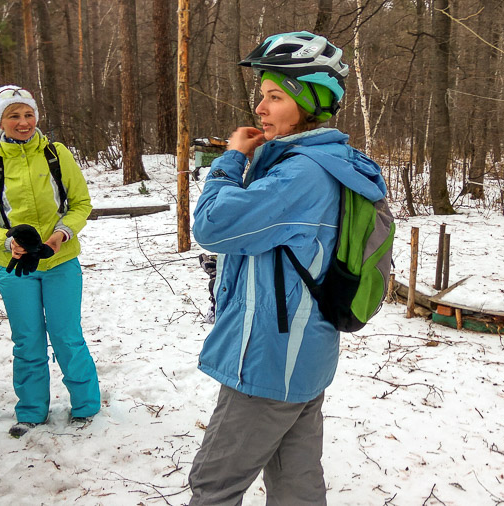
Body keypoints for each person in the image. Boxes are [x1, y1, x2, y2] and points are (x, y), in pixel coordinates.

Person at [190, 32, 389, 505]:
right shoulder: (329, 162)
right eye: (262, 95)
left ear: (311, 103)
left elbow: (214, 226)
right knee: (296, 485)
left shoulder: (302, 173)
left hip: (268, 359)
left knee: (214, 485)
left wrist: (230, 161)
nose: (260, 108)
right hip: (303, 355)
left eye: (275, 97)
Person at [0, 85, 100, 438]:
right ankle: (31, 412)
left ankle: (86, 406)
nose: (23, 122)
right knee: (27, 341)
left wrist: (62, 234)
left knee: (67, 336)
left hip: (61, 263)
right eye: (14, 115)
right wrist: (7, 241)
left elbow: (81, 204)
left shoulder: (56, 155)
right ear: (0, 121)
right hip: (15, 269)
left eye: (28, 114)